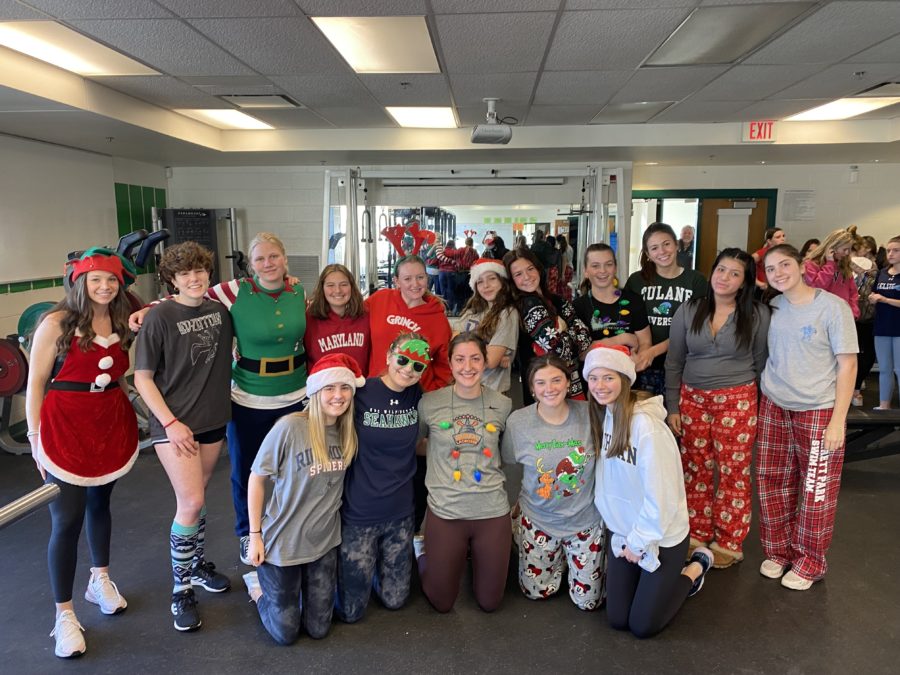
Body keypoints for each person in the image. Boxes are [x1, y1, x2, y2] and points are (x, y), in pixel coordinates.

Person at [131, 232, 309, 566]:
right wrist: (148, 309)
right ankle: (245, 534)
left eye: (274, 257)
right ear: (250, 265)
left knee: (293, 470)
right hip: (248, 394)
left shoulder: (298, 291)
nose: (268, 263)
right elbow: (187, 297)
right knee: (243, 470)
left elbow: (195, 295)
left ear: (285, 260)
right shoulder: (235, 291)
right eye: (260, 259)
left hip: (294, 391)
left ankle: (284, 531)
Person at [26, 251, 139, 658]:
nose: (105, 287)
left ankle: (100, 579)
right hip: (65, 426)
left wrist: (128, 418)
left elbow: (121, 377)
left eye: (111, 280)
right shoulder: (56, 323)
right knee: (67, 518)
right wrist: (35, 437)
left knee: (100, 504)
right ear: (80, 283)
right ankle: (64, 615)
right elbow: (36, 384)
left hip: (107, 421)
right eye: (96, 281)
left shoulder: (124, 317)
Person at [133, 242, 234, 632]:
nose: (194, 279)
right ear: (171, 280)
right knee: (190, 502)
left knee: (200, 494)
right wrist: (171, 423)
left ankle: (196, 565)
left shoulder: (219, 312)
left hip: (212, 419)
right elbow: (142, 378)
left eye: (199, 272)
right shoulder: (159, 318)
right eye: (184, 274)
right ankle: (180, 589)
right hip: (175, 424)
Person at [584, 344, 713, 638]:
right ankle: (652, 580)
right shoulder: (605, 415)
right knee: (617, 619)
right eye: (593, 378)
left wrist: (639, 542)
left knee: (643, 625)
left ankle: (693, 570)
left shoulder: (647, 427)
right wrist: (624, 537)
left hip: (662, 535)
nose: (600, 386)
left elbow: (662, 498)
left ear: (625, 379)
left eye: (608, 378)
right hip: (624, 532)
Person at [242, 354, 363, 645]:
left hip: (323, 544)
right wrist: (255, 535)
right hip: (283, 543)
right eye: (330, 388)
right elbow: (256, 478)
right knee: (286, 634)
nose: (338, 396)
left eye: (344, 388)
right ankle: (258, 589)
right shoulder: (290, 427)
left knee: (319, 629)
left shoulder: (348, 432)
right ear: (316, 391)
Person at [757, 244, 858, 590]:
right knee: (772, 481)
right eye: (771, 269)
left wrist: (837, 421)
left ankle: (810, 561)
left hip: (818, 408)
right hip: (774, 404)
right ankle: (779, 551)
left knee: (815, 487)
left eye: (785, 265)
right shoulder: (772, 307)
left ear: (801, 266)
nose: (779, 273)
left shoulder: (832, 308)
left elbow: (848, 364)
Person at [664, 248, 770, 568]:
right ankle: (696, 532)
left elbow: (762, 362)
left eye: (734, 273)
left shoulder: (757, 314)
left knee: (733, 472)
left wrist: (760, 409)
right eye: (721, 270)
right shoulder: (689, 309)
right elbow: (674, 361)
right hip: (692, 398)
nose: (724, 278)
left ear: (744, 281)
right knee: (694, 467)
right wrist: (673, 406)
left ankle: (729, 539)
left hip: (737, 399)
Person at [415, 333, 513, 613]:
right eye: (460, 359)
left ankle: (472, 559)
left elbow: (503, 453)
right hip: (446, 510)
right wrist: (441, 452)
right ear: (449, 363)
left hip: (491, 510)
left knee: (490, 602)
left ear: (485, 362)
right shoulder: (430, 403)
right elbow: (416, 446)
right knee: (442, 602)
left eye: (475, 358)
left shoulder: (503, 405)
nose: (467, 366)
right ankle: (423, 552)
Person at [336, 334, 429, 623]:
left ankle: (388, 564)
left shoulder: (418, 397)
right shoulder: (361, 391)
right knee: (350, 612)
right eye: (402, 359)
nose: (408, 369)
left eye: (417, 365)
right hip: (359, 513)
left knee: (395, 601)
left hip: (400, 514)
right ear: (389, 356)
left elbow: (424, 442)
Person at [501, 355, 604, 610]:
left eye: (557, 380)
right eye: (541, 383)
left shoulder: (590, 413)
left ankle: (569, 556)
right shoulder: (518, 422)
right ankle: (528, 535)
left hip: (584, 519)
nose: (550, 389)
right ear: (532, 388)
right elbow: (509, 461)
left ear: (568, 382)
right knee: (536, 593)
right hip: (539, 517)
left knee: (589, 603)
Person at [365, 254, 453, 530]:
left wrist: (429, 393)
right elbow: (348, 315)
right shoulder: (378, 301)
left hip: (413, 400)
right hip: (374, 395)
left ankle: (412, 529)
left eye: (420, 277)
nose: (415, 284)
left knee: (412, 460)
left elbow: (444, 364)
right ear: (396, 281)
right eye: (408, 278)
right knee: (372, 458)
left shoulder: (437, 317)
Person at [625, 222, 708, 396]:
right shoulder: (636, 281)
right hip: (644, 365)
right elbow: (627, 321)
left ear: (676, 245)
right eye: (654, 248)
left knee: (675, 419)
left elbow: (695, 329)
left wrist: (653, 351)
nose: (662, 252)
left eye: (666, 244)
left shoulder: (696, 280)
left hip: (682, 364)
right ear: (647, 254)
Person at [505, 248, 592, 403]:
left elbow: (586, 338)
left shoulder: (557, 300)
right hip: (545, 390)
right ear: (512, 280)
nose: (527, 277)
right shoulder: (528, 304)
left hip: (569, 383)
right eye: (518, 274)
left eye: (530, 269)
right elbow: (560, 349)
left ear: (538, 268)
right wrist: (570, 333)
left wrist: (565, 335)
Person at [574, 243, 652, 364]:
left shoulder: (634, 301)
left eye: (608, 264)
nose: (603, 271)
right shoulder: (577, 307)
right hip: (592, 380)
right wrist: (622, 338)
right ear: (586, 271)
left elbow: (645, 343)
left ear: (615, 268)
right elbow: (581, 355)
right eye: (595, 266)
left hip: (628, 378)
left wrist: (639, 360)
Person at [458, 258, 519, 394]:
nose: (486, 285)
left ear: (502, 281)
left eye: (492, 279)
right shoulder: (473, 310)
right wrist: (487, 351)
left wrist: (462, 352)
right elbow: (452, 341)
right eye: (480, 281)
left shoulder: (507, 313)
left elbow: (490, 361)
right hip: (464, 386)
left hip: (491, 391)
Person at [304, 263, 370, 373]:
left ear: (352, 287)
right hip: (323, 388)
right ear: (322, 288)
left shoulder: (366, 315)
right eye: (330, 285)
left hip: (360, 386)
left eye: (343, 284)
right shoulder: (309, 318)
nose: (338, 290)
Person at [802, 227, 860, 319]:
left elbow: (853, 292)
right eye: (844, 249)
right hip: (819, 316)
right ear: (832, 248)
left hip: (842, 315)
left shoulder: (844, 265)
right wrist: (829, 264)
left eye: (849, 250)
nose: (847, 253)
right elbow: (816, 288)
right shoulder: (811, 264)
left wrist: (853, 312)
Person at [871, 236, 900, 410]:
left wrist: (885, 299)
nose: (890, 254)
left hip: (899, 328)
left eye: (896, 250)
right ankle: (884, 404)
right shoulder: (881, 273)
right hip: (882, 326)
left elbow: (884, 298)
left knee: (899, 369)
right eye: (889, 250)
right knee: (885, 369)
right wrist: (872, 298)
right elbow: (875, 294)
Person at [850, 235, 878, 406]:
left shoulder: (874, 269)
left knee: (867, 356)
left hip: (868, 317)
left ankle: (857, 386)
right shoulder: (846, 267)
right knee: (850, 355)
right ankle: (853, 388)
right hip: (850, 317)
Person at [436, 240, 459, 315]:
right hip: (451, 272)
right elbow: (457, 263)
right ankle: (451, 310)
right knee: (451, 291)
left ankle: (444, 309)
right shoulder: (454, 252)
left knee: (443, 291)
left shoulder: (442, 251)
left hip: (442, 272)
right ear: (453, 245)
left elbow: (438, 261)